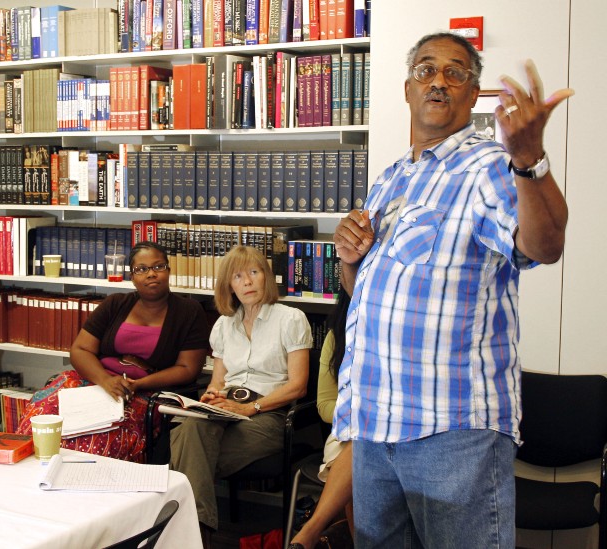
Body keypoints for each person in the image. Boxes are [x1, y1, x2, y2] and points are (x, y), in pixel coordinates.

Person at [332, 32, 572, 548]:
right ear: (406, 89)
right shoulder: (390, 180)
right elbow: (365, 291)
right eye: (425, 70)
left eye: (455, 72)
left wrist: (530, 162)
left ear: (473, 93)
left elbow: (544, 245)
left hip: (452, 434)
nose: (438, 81)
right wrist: (350, 261)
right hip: (375, 427)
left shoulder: (488, 168)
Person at [169, 245, 312, 547]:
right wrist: (208, 399)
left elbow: (298, 386)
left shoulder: (291, 319)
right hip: (226, 409)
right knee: (191, 426)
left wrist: (250, 408)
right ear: (229, 285)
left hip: (268, 414)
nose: (247, 282)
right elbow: (217, 382)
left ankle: (193, 535)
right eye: (237, 276)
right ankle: (196, 535)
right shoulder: (223, 325)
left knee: (184, 444)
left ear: (266, 277)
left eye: (254, 272)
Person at [16, 241, 210, 463]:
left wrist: (137, 385)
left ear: (168, 270)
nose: (151, 274)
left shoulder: (188, 311)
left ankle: (89, 485)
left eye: (158, 267)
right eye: (142, 269)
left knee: (104, 435)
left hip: (147, 393)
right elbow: (80, 349)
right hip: (96, 382)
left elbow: (188, 369)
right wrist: (106, 380)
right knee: (44, 414)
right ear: (132, 276)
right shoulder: (115, 304)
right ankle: (36, 479)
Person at [289, 292, 353, 549]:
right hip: (346, 428)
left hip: (394, 428)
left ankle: (312, 530)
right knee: (355, 451)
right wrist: (356, 412)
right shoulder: (337, 336)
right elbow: (325, 405)